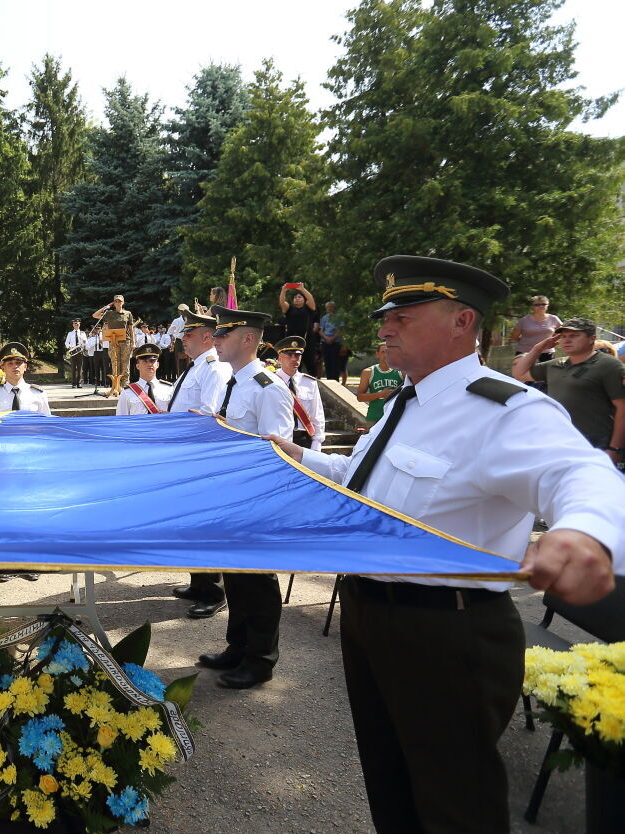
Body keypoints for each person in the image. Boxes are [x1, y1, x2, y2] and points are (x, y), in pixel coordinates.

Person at [267, 255, 623, 833]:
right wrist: (301, 456)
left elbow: (582, 475)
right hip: (371, 615)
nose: (384, 327)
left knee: (457, 807)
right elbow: (366, 484)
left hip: (447, 634)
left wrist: (584, 534)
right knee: (393, 788)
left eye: (403, 315)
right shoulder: (404, 404)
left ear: (462, 322)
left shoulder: (504, 408)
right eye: (386, 316)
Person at [197, 305, 293, 690]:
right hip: (229, 496)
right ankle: (237, 647)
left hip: (255, 499)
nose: (215, 340)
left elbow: (278, 451)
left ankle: (260, 659)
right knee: (236, 577)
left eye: (223, 335)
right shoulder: (232, 383)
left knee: (257, 581)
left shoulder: (269, 389)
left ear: (248, 339)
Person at [166, 305, 232, 619]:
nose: (182, 339)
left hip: (200, 461)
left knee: (204, 526)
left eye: (188, 333)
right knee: (188, 525)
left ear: (207, 336)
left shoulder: (215, 367)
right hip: (184, 458)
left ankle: (213, 591)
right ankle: (197, 582)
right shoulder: (196, 365)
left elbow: (210, 416)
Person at [513, 317, 625, 461]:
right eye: (563, 336)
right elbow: (519, 373)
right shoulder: (555, 364)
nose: (566, 340)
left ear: (592, 339)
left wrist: (615, 448)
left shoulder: (608, 365)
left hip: (594, 441)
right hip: (558, 439)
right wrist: (538, 348)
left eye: (574, 336)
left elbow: (622, 408)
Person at [273, 337, 325, 451]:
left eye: (297, 355)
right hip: (279, 438)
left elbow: (317, 414)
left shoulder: (309, 382)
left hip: (303, 439)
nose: (294, 359)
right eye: (289, 355)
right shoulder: (271, 381)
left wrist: (317, 442)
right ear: (280, 358)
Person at [92, 295, 136, 396]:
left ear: (123, 302)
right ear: (114, 303)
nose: (118, 303)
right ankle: (116, 387)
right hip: (113, 342)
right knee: (115, 364)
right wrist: (105, 307)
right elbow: (95, 315)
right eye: (116, 301)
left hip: (126, 342)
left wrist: (133, 342)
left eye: (120, 301)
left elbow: (131, 329)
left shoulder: (127, 314)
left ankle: (125, 387)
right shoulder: (109, 314)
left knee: (125, 365)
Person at [115, 342, 172, 414]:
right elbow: (121, 419)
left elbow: (176, 415)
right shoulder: (127, 392)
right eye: (145, 361)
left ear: (157, 365)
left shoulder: (169, 389)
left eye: (152, 361)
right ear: (137, 366)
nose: (149, 364)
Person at [356, 343, 403, 425]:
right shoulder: (368, 372)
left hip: (395, 417)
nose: (386, 355)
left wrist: (395, 394)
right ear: (377, 354)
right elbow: (360, 397)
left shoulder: (401, 371)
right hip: (374, 418)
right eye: (383, 352)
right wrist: (380, 394)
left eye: (389, 352)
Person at [277, 284, 317, 374]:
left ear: (304, 299)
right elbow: (282, 302)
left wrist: (302, 289)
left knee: (310, 363)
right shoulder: (289, 309)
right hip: (292, 340)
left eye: (299, 297)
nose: (297, 298)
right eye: (295, 297)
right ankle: (293, 384)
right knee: (293, 362)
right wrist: (284, 290)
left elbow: (310, 299)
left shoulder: (308, 308)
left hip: (307, 339)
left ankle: (313, 384)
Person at [509, 295, 561, 362]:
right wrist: (527, 343)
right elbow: (514, 336)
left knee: (546, 372)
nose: (541, 306)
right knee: (524, 372)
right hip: (525, 352)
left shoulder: (554, 319)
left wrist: (552, 341)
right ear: (532, 307)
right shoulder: (524, 320)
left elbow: (561, 332)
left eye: (543, 304)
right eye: (537, 305)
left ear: (547, 306)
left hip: (546, 352)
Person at [316, 301, 346, 384]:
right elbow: (321, 331)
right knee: (327, 362)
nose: (329, 308)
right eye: (328, 307)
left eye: (331, 307)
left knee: (335, 363)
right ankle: (329, 380)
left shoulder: (338, 317)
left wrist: (332, 338)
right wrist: (326, 338)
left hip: (336, 342)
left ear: (334, 307)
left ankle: (335, 380)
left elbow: (340, 330)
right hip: (325, 342)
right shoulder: (324, 318)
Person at [64, 319, 87, 388]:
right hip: (73, 351)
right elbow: (66, 343)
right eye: (75, 324)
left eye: (77, 324)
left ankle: (79, 383)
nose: (76, 325)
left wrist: (84, 341)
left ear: (79, 324)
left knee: (80, 368)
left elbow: (86, 343)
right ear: (73, 325)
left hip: (80, 351)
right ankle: (73, 383)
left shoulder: (82, 333)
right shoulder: (70, 333)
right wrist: (69, 347)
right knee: (73, 368)